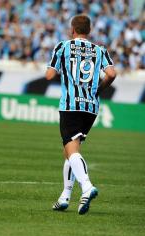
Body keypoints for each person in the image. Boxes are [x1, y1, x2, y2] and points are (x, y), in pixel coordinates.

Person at [46, 14, 117, 215]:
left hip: (70, 105)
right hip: (91, 106)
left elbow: (49, 75)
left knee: (72, 149)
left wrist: (67, 71)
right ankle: (65, 196)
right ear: (89, 31)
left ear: (72, 29)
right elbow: (111, 74)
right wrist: (98, 90)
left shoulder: (63, 47)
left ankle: (86, 187)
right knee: (70, 150)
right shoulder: (100, 50)